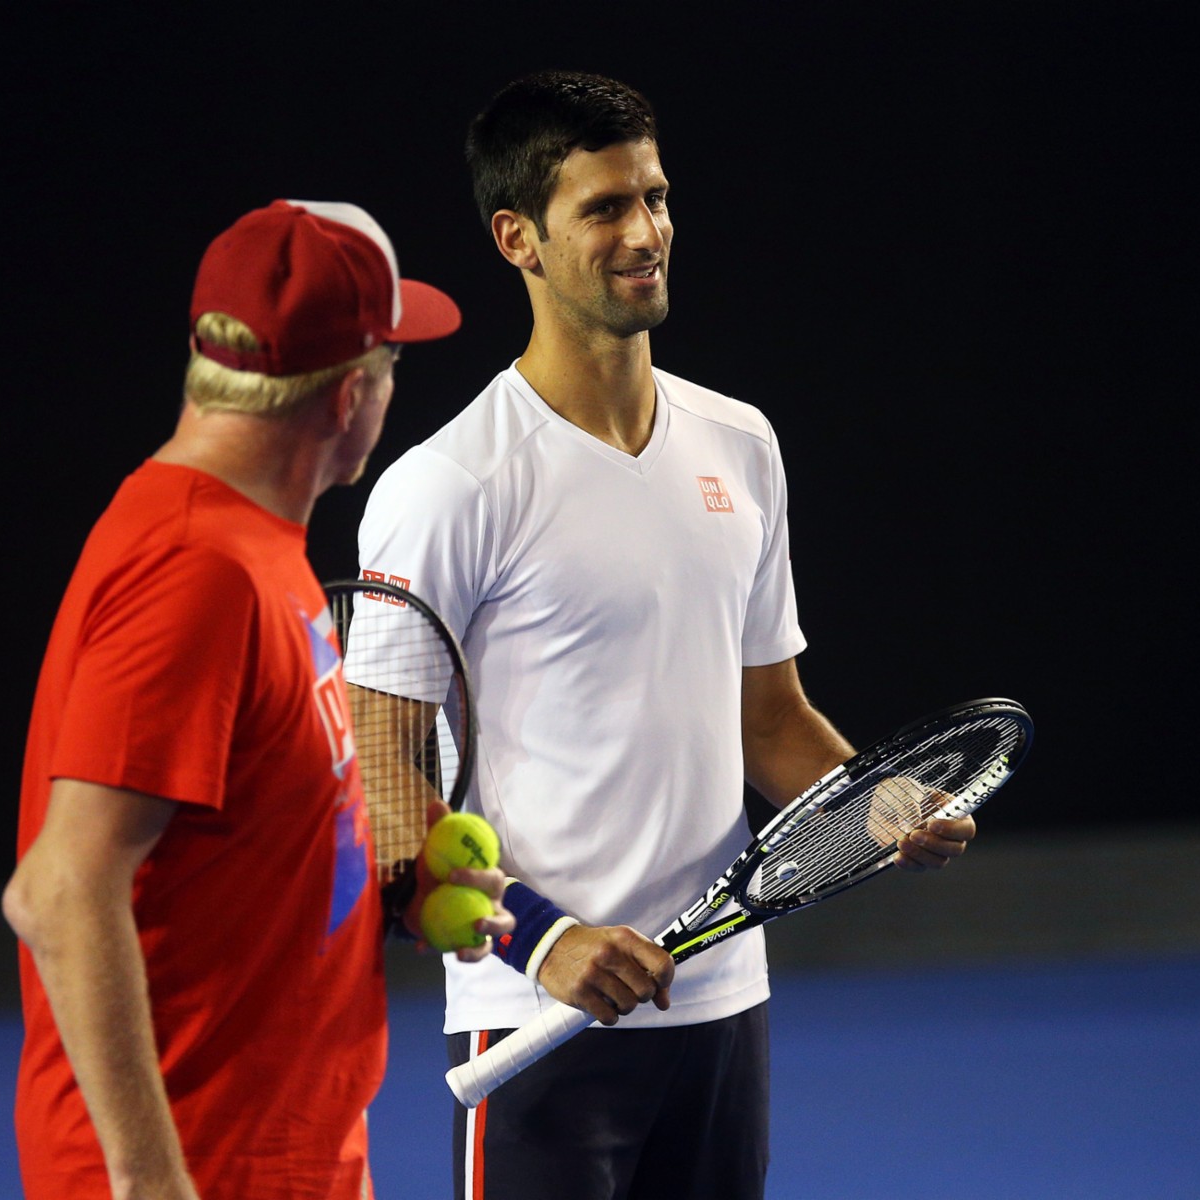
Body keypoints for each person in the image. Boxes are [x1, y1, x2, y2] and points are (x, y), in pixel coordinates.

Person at [354, 72, 980, 1200]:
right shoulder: (443, 486)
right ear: (519, 241)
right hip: (533, 1017)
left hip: (722, 1012)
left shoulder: (740, 444)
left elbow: (769, 718)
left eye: (656, 197)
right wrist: (545, 941)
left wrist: (868, 805)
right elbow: (379, 773)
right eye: (604, 208)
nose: (646, 233)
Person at [3, 198, 513, 1200]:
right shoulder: (196, 570)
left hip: (288, 1149)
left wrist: (394, 892)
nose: (393, 388)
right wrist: (154, 1183)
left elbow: (252, 827)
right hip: (203, 1164)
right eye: (392, 363)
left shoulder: (252, 547)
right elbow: (58, 891)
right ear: (347, 397)